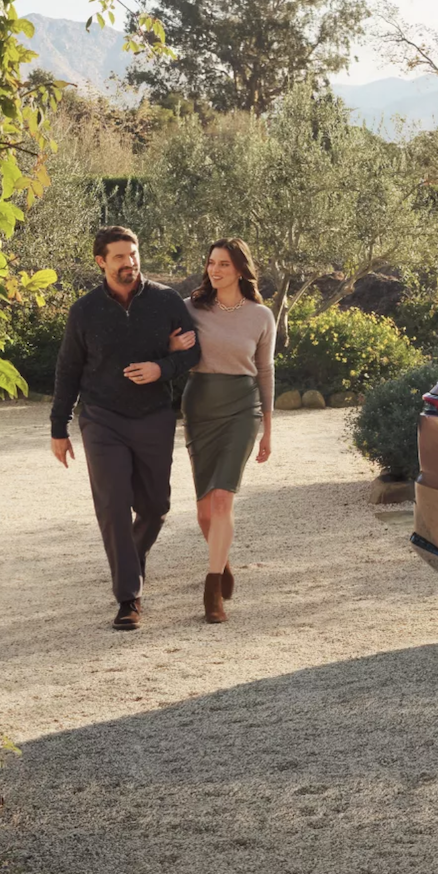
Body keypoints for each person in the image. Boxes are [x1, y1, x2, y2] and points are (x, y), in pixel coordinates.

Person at [51, 226, 202, 630]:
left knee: (156, 506)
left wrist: (161, 368)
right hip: (102, 419)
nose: (129, 262)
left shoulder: (166, 301)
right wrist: (58, 427)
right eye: (119, 256)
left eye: (132, 254)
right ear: (101, 261)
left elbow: (194, 352)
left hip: (154, 416)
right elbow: (67, 369)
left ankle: (131, 562)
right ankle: (128, 598)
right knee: (113, 505)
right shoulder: (83, 311)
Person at [169, 238, 275, 624]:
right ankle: (223, 562)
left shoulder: (261, 316)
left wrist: (268, 427)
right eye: (211, 263)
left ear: (240, 270)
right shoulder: (189, 309)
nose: (215, 270)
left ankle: (212, 590)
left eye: (224, 265)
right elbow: (164, 347)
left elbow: (265, 371)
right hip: (200, 405)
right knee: (202, 511)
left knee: (221, 501)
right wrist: (170, 343)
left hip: (242, 408)